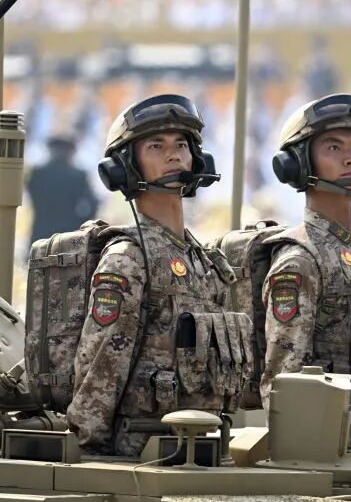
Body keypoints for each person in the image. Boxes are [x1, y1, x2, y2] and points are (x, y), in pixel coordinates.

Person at [66, 94, 253, 456]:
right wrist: (91, 456)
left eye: (181, 145)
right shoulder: (128, 259)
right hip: (140, 453)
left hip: (202, 449)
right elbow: (101, 366)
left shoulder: (206, 262)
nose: (173, 155)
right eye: (156, 146)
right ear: (126, 167)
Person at [261, 93, 351, 407]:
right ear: (300, 164)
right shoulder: (299, 262)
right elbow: (283, 385)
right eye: (334, 148)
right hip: (326, 428)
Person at [26, 134, 99, 241]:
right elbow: (93, 203)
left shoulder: (38, 173)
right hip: (67, 233)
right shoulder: (78, 175)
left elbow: (32, 195)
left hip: (42, 229)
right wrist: (80, 222)